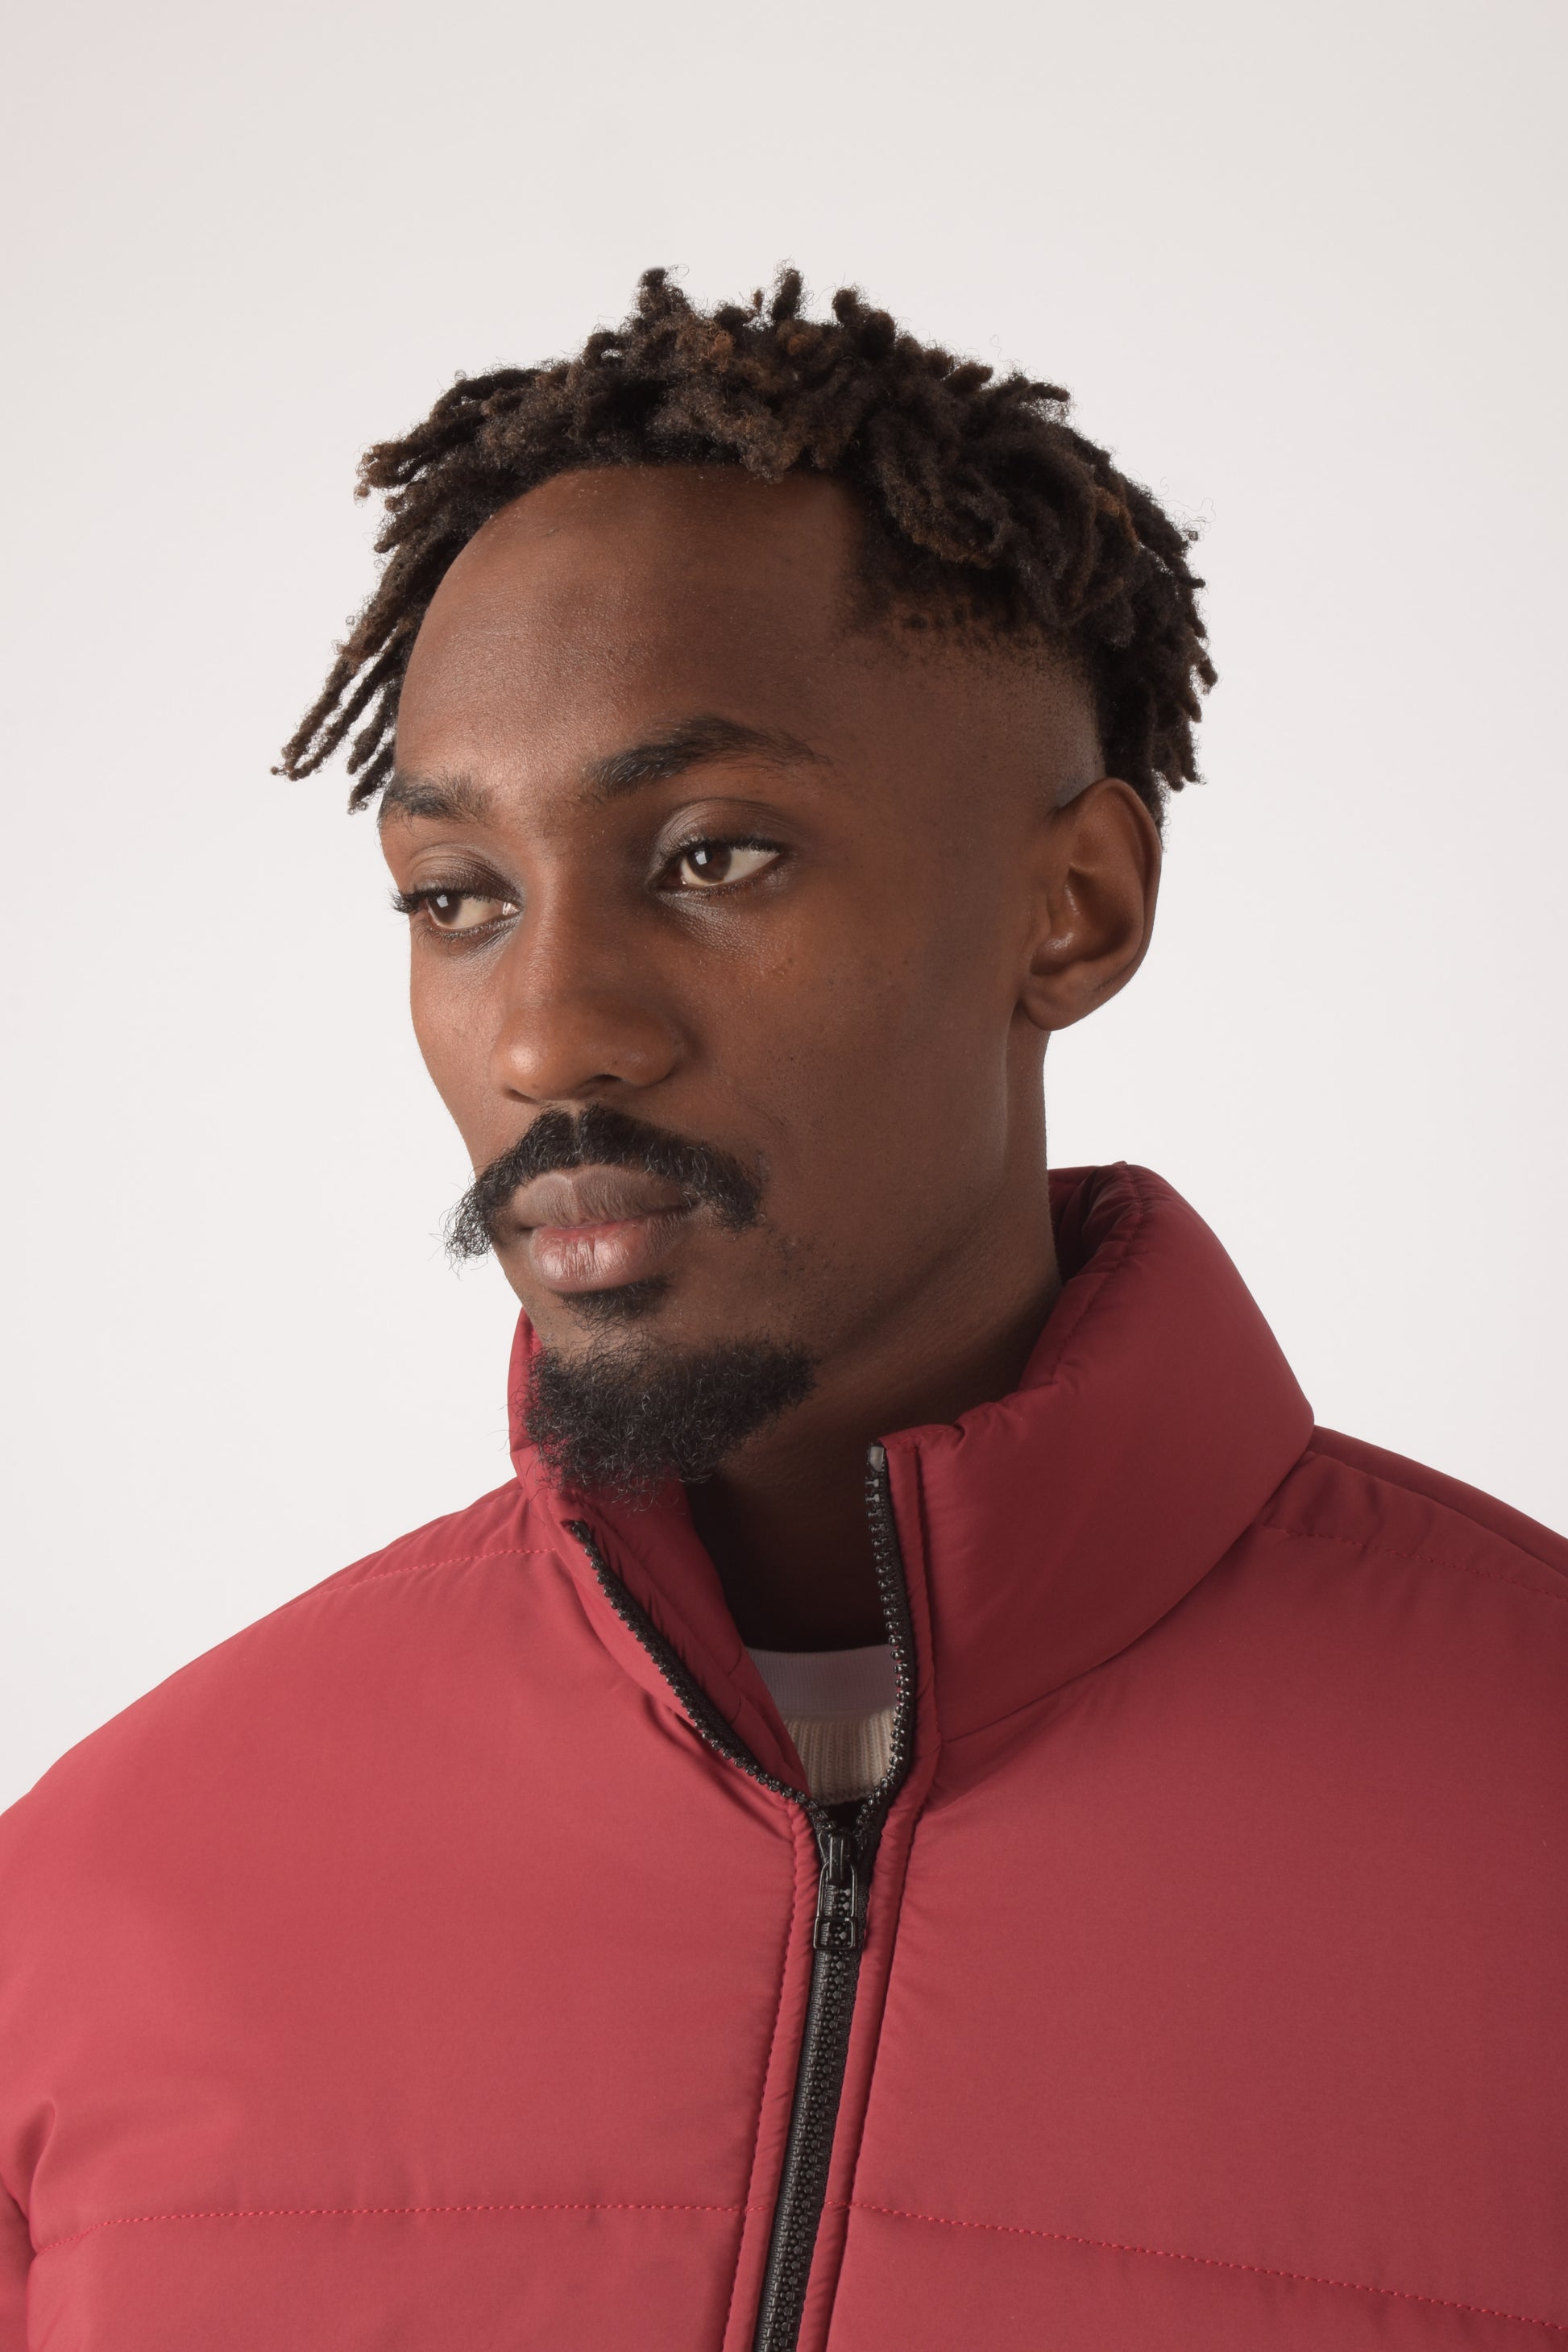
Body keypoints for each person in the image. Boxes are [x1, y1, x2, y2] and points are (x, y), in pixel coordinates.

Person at [1, 268, 1563, 2352]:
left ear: (1074, 906)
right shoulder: (102, 1898)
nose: (547, 1035)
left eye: (714, 857)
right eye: (458, 898)